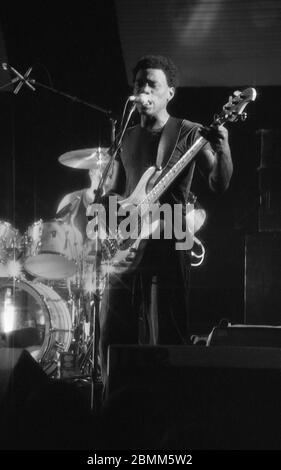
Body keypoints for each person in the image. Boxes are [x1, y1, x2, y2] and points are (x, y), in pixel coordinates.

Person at [93, 55, 233, 385]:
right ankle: (116, 397)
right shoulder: (125, 137)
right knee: (113, 330)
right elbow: (112, 194)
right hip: (128, 241)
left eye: (152, 83)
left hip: (172, 235)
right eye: (139, 83)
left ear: (170, 92)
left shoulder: (188, 132)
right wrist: (110, 230)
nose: (143, 88)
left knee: (168, 333)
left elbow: (219, 183)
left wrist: (224, 148)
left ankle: (168, 405)